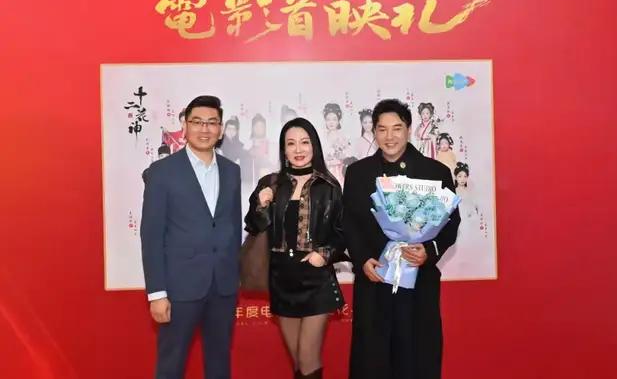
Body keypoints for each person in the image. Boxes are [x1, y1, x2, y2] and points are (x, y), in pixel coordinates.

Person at [343, 99, 460, 379]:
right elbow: (348, 223)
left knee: (417, 356)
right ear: (374, 132)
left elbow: (451, 223)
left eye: (397, 128)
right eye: (382, 129)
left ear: (408, 129)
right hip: (375, 280)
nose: (390, 136)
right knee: (373, 358)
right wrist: (362, 260)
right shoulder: (358, 173)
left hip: (419, 282)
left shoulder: (436, 172)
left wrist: (429, 251)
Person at [141, 95, 242, 379]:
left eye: (212, 123)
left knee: (219, 364)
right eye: (197, 122)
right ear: (184, 126)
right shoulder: (162, 172)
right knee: (171, 365)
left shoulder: (231, 171)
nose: (204, 129)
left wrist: (234, 277)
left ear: (220, 129)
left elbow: (233, 227)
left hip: (222, 287)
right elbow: (151, 235)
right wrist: (157, 293)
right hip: (179, 289)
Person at [245, 117, 346, 379]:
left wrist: (323, 255)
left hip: (316, 281)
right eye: (291, 144)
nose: (298, 149)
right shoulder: (271, 183)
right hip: (282, 279)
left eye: (304, 142)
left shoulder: (329, 186)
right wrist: (261, 204)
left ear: (314, 146)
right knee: (299, 364)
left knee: (308, 358)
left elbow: (343, 233)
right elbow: (253, 226)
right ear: (284, 150)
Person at [322, 103, 351, 185]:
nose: (331, 122)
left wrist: (341, 156)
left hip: (340, 169)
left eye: (334, 119)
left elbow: (348, 154)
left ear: (338, 121)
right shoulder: (322, 137)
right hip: (326, 170)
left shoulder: (343, 137)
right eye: (328, 119)